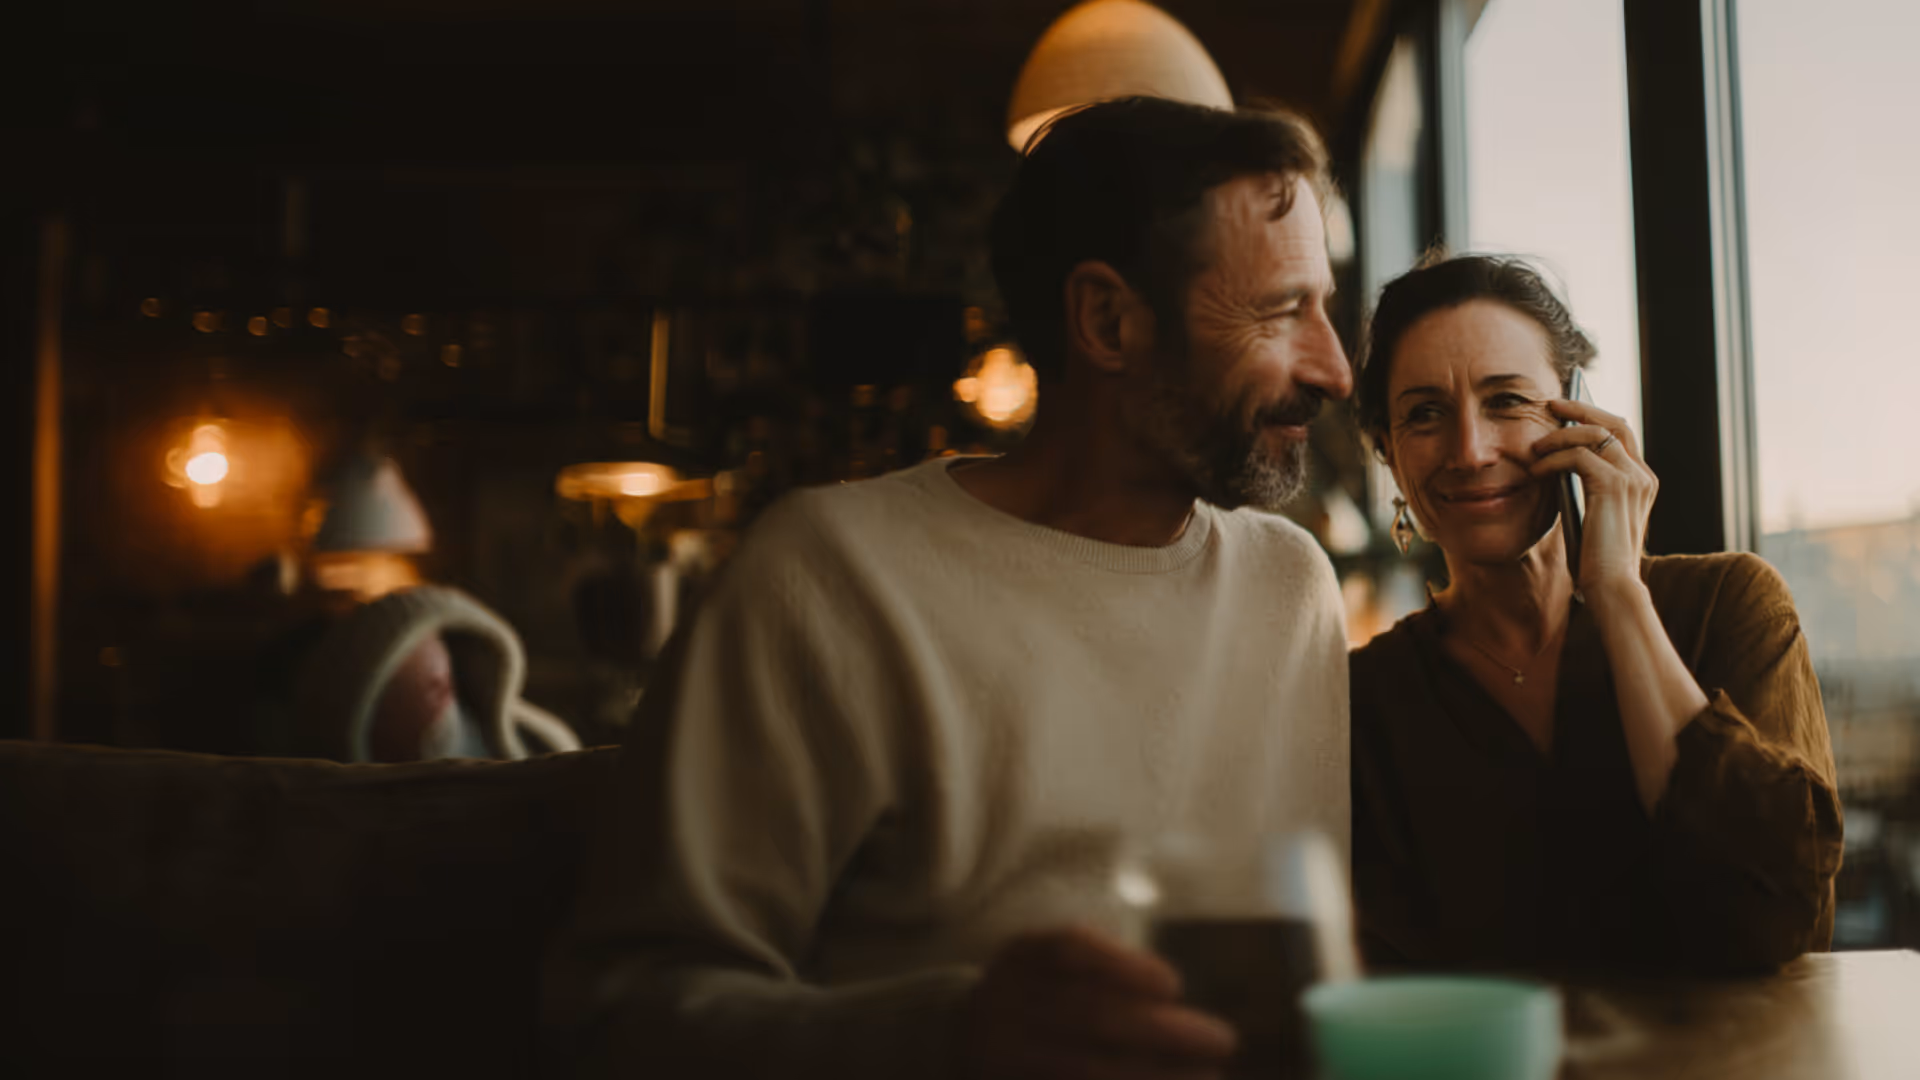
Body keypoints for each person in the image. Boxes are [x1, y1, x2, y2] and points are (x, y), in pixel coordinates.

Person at [543, 96, 1355, 1080]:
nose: (1336, 367)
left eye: (1324, 304)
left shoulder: (1292, 587)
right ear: (1107, 319)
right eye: (1279, 311)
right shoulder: (827, 577)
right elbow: (615, 1021)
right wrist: (949, 1037)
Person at [1347, 253, 1843, 977]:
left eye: (1507, 401)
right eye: (1425, 414)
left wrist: (1616, 591)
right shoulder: (1366, 700)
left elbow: (1776, 918)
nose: (1470, 450)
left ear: (1578, 411)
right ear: (1389, 455)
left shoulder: (1729, 606)